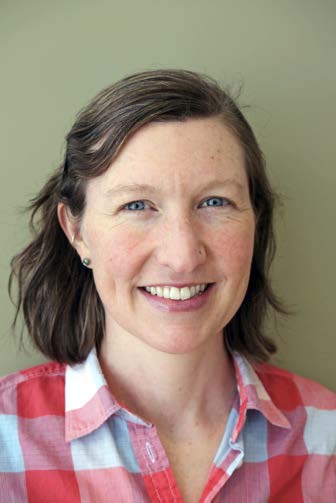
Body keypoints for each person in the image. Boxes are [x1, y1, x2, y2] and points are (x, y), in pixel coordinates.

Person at [0, 69, 335, 503]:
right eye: (137, 205)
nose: (181, 256)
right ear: (77, 231)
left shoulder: (326, 440)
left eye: (215, 202)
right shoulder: (6, 443)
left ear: (256, 220)